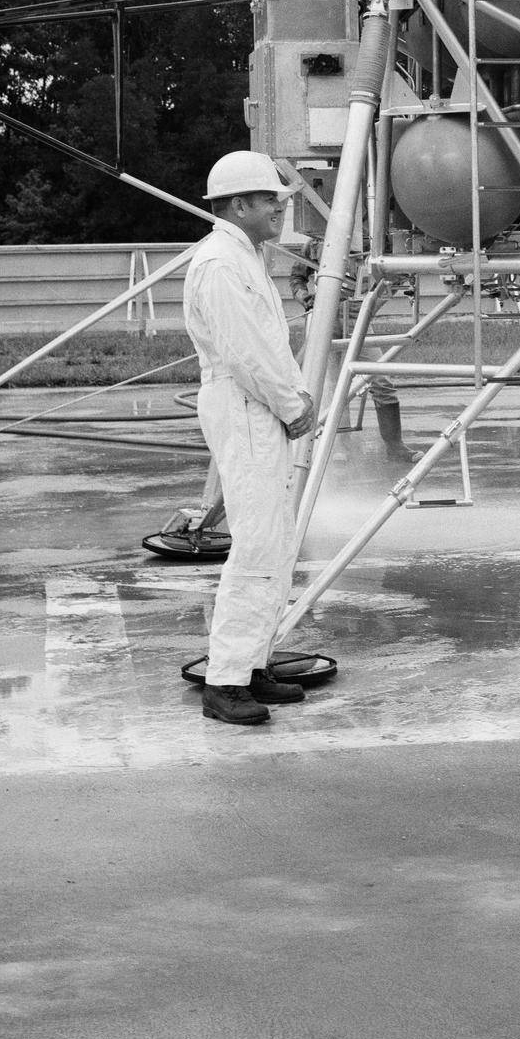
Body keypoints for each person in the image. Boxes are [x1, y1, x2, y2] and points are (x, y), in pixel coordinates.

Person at [183, 151, 316, 726]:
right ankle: (227, 679)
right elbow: (247, 354)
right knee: (258, 542)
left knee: (276, 539)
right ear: (239, 205)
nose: (279, 212)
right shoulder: (220, 263)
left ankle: (252, 661)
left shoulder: (245, 256)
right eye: (270, 202)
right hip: (245, 404)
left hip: (256, 402)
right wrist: (292, 406)